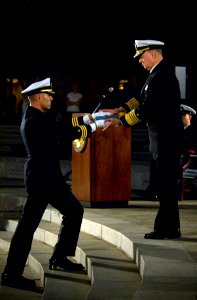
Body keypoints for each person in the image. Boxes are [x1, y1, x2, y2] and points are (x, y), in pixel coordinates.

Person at [0, 77, 104, 292]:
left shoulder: (36, 116)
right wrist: (93, 126)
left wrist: (85, 120)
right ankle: (11, 274)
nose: (51, 98)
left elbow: (57, 126)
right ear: (38, 97)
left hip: (49, 178)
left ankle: (59, 257)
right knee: (26, 228)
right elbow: (59, 132)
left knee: (74, 211)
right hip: (41, 180)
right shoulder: (34, 119)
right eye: (48, 95)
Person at [99, 39, 184, 239]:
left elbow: (147, 108)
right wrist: (119, 109)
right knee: (165, 185)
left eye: (141, 56)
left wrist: (121, 122)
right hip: (163, 140)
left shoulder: (162, 75)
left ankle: (167, 228)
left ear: (153, 54)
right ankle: (170, 228)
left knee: (166, 186)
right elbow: (140, 97)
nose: (139, 61)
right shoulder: (156, 74)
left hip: (167, 140)